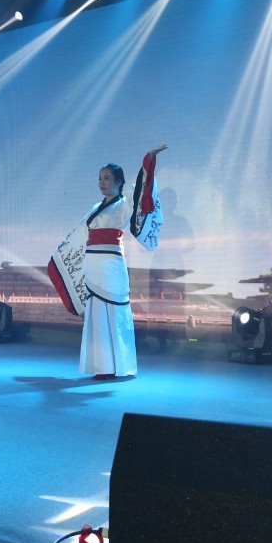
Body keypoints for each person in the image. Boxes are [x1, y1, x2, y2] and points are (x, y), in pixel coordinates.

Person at [49, 146, 167, 380]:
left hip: (112, 265)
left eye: (107, 178)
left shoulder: (124, 205)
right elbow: (80, 236)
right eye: (100, 178)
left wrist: (148, 163)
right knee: (97, 315)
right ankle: (102, 366)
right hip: (93, 265)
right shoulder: (95, 208)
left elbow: (141, 195)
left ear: (119, 182)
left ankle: (121, 366)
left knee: (115, 312)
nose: (102, 182)